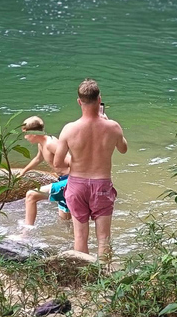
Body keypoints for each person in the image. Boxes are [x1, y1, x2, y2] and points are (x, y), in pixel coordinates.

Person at [53, 79, 127, 258]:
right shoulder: (113, 127)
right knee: (103, 238)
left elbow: (57, 164)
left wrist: (75, 161)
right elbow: (123, 149)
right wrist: (108, 123)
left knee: (80, 236)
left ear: (79, 101)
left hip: (77, 186)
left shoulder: (69, 129)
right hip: (102, 185)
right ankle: (105, 280)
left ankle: (85, 280)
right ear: (99, 98)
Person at [19, 116, 71, 226]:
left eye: (26, 134)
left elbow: (70, 160)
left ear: (33, 133)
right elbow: (38, 158)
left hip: (70, 181)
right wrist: (24, 171)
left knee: (31, 195)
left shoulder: (50, 143)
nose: (25, 137)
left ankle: (26, 233)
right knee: (65, 219)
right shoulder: (41, 144)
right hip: (62, 180)